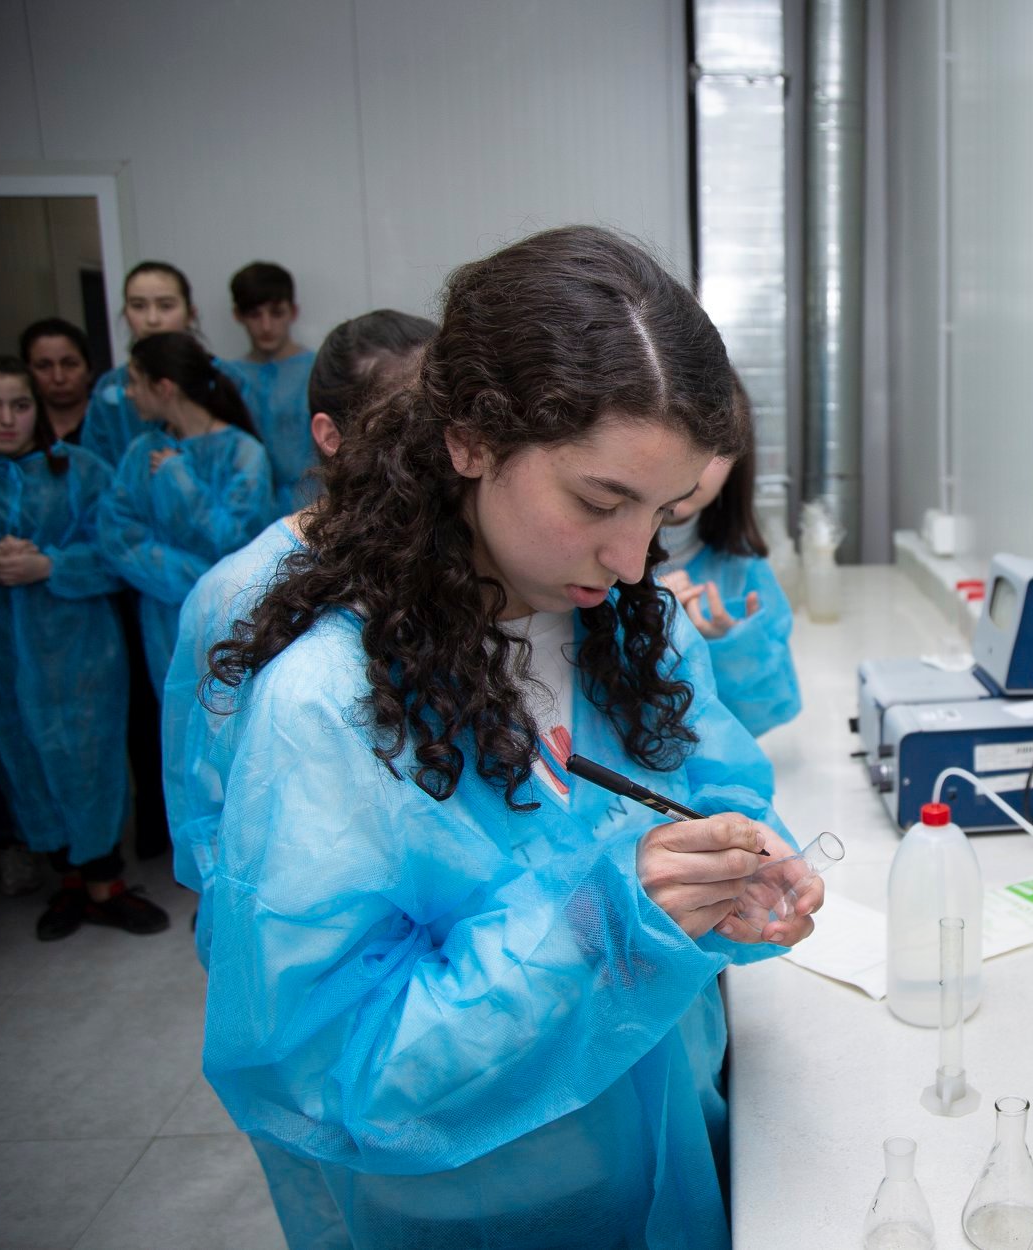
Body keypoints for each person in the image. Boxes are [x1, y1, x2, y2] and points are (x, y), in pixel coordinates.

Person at [196, 226, 819, 1250]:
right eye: (598, 501)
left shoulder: (639, 628)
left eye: (663, 511)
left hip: (675, 1141)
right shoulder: (328, 704)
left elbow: (717, 786)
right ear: (471, 441)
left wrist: (738, 863)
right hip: (490, 1207)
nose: (632, 560)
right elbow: (333, 1066)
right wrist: (598, 925)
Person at [164, 308, 436, 904]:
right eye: (404, 424)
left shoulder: (452, 564)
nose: (436, 449)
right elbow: (208, 800)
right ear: (329, 435)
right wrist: (245, 922)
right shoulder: (236, 591)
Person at [0, 357, 167, 941]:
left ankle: (107, 883)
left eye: (20, 405)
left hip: (81, 649)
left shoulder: (84, 470)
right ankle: (69, 882)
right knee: (20, 757)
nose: (7, 419)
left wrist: (52, 565)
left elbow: (121, 551)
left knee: (91, 758)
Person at [98, 332, 273, 699]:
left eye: (135, 381)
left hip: (231, 619)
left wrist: (179, 479)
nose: (128, 393)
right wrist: (200, 579)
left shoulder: (244, 453)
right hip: (163, 625)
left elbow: (239, 542)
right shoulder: (140, 452)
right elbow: (118, 536)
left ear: (164, 387)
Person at [656, 401, 802, 738]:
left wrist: (728, 650)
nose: (696, 462)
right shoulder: (588, 558)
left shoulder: (741, 567)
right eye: (681, 435)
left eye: (716, 444)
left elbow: (767, 709)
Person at [80, 261, 252, 468]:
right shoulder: (111, 388)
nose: (152, 319)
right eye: (138, 306)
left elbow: (248, 463)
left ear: (190, 314)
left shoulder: (226, 378)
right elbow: (95, 471)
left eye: (166, 306)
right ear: (125, 314)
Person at [226, 262, 319, 513]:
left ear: (293, 312)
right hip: (248, 506)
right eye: (254, 315)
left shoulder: (317, 368)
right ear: (238, 315)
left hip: (313, 500)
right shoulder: (229, 378)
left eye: (277, 313)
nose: (266, 326)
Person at [19, 318, 96, 443]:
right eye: (44, 366)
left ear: (89, 370)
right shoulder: (17, 429)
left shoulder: (114, 424)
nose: (58, 378)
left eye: (70, 364)